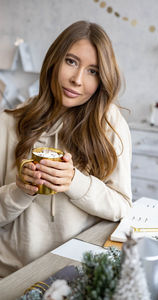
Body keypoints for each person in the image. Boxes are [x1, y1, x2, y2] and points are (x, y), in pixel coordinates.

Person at [0, 20, 132, 278]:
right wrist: (20, 191)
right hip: (10, 275)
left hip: (77, 273)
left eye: (92, 71)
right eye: (71, 61)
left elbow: (122, 207)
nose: (77, 79)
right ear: (53, 60)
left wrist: (75, 182)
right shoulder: (9, 121)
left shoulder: (109, 125)